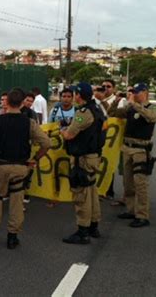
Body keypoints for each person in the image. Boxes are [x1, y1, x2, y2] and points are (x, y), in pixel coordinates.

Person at [0, 88, 51, 249]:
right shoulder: (30, 124)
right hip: (21, 167)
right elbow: (46, 143)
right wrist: (34, 159)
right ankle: (12, 237)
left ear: (6, 102)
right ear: (23, 103)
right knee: (16, 203)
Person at [108, 83, 156, 228]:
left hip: (141, 150)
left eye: (136, 92)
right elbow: (112, 113)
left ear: (145, 92)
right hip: (127, 148)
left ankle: (142, 215)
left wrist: (134, 104)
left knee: (140, 184)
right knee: (128, 183)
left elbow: (151, 117)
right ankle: (131, 210)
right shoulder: (130, 108)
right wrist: (116, 101)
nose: (134, 94)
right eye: (132, 92)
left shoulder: (152, 107)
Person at [60, 82, 105, 244]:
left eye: (74, 94)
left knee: (82, 194)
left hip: (83, 159)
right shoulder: (97, 110)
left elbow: (70, 135)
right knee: (92, 191)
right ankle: (93, 226)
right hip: (93, 156)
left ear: (78, 95)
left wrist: (63, 131)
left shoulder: (83, 113)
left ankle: (83, 230)